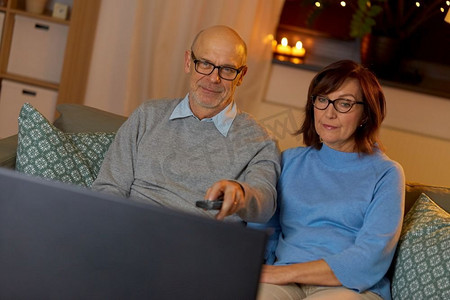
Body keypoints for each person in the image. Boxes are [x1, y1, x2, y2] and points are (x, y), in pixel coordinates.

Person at [249, 60, 405, 300]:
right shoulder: (289, 161)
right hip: (283, 281)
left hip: (348, 287)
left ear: (365, 114)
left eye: (345, 104)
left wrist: (284, 272)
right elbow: (263, 230)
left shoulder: (387, 173)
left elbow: (370, 258)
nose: (329, 113)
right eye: (322, 100)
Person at [92, 25, 280, 222]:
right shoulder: (147, 115)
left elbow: (265, 205)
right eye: (205, 64)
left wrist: (241, 196)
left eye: (227, 69)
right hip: (131, 232)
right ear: (188, 62)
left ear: (241, 76)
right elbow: (109, 188)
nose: (214, 78)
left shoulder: (260, 140)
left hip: (200, 244)